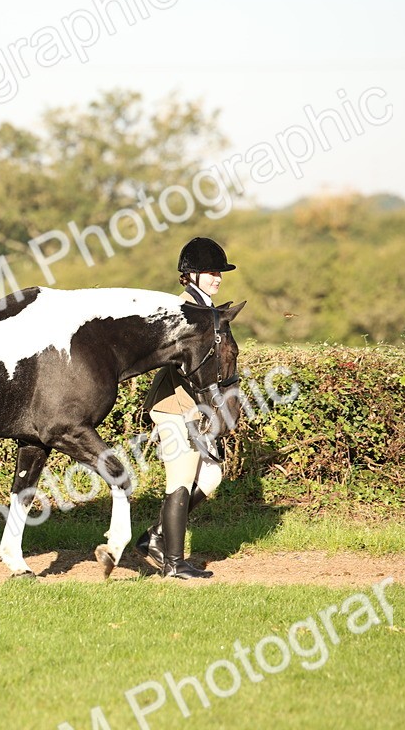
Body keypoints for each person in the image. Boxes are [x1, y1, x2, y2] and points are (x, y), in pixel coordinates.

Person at [135, 237, 236, 579]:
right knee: (180, 478)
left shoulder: (206, 308)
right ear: (190, 274)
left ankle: (154, 537)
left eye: (219, 272)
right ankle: (173, 565)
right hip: (175, 406)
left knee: (211, 475)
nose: (217, 277)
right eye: (210, 272)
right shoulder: (182, 308)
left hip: (193, 408)